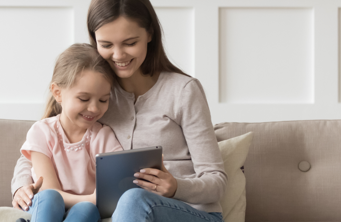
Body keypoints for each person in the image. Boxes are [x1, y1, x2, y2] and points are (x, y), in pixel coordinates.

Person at [12, 0, 226, 221]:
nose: (118, 55)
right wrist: (21, 186)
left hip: (191, 212)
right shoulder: (97, 95)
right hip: (126, 212)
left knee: (134, 199)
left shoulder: (183, 91)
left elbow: (217, 181)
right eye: (106, 45)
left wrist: (175, 187)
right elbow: (39, 147)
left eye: (130, 43)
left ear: (150, 34)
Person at [16, 43, 123, 222]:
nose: (94, 108)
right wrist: (92, 198)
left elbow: (112, 190)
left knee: (87, 209)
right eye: (84, 98)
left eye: (103, 100)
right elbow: (50, 192)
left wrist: (91, 202)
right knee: (51, 198)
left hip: (84, 212)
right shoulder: (42, 132)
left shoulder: (104, 137)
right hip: (46, 208)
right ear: (58, 93)